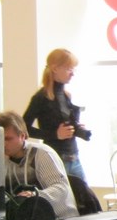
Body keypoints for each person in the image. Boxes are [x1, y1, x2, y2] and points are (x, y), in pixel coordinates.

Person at [23, 48, 91, 183]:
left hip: (74, 156)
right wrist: (55, 135)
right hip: (55, 159)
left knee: (85, 195)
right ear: (55, 68)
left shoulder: (66, 96)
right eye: (69, 69)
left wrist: (76, 127)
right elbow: (23, 128)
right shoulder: (40, 98)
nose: (72, 74)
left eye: (73, 69)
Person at [0, 110, 78, 219]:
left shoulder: (41, 153)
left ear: (23, 136)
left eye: (8, 139)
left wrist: (34, 195)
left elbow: (61, 188)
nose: (3, 144)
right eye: (0, 138)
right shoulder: (1, 160)